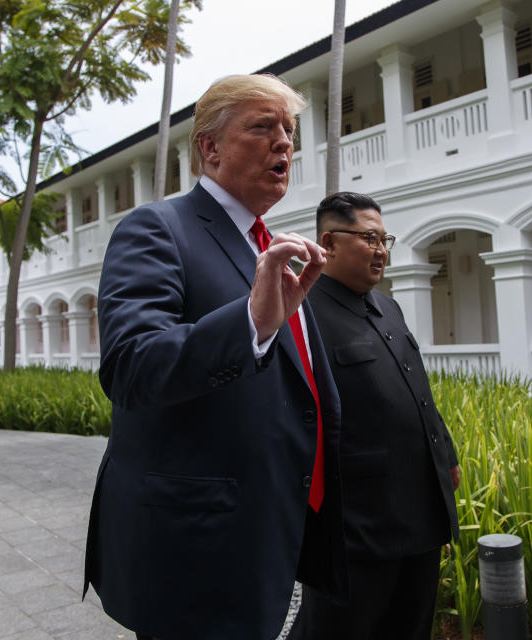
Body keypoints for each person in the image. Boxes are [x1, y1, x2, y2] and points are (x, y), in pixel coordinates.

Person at [83, 74, 348, 640]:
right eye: (262, 127)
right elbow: (131, 366)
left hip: (270, 528)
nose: (284, 143)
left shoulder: (270, 247)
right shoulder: (157, 229)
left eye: (289, 130)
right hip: (197, 546)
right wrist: (251, 321)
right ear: (209, 147)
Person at [289, 192, 460, 640]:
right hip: (356, 525)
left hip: (419, 512)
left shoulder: (388, 307)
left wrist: (446, 456)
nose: (382, 249)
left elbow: (418, 392)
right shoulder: (302, 313)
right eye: (370, 238)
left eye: (386, 239)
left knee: (410, 625)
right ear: (328, 241)